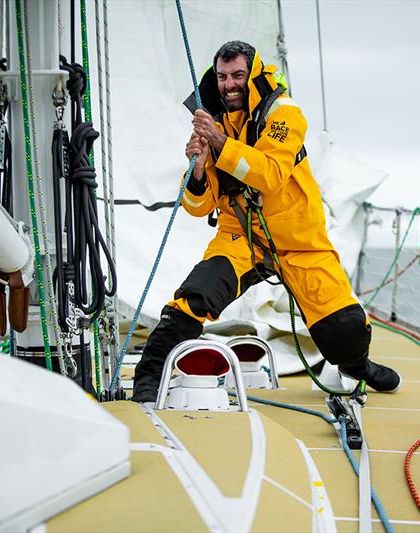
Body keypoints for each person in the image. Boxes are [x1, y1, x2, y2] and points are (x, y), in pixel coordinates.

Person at [131, 41, 400, 402]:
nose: (229, 85)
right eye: (223, 77)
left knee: (345, 327)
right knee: (194, 296)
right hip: (241, 237)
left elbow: (270, 174)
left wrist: (221, 143)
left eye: (238, 75)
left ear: (253, 74)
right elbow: (198, 206)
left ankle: (357, 366)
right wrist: (196, 172)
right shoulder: (213, 122)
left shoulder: (284, 114)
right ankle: (148, 380)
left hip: (298, 241)